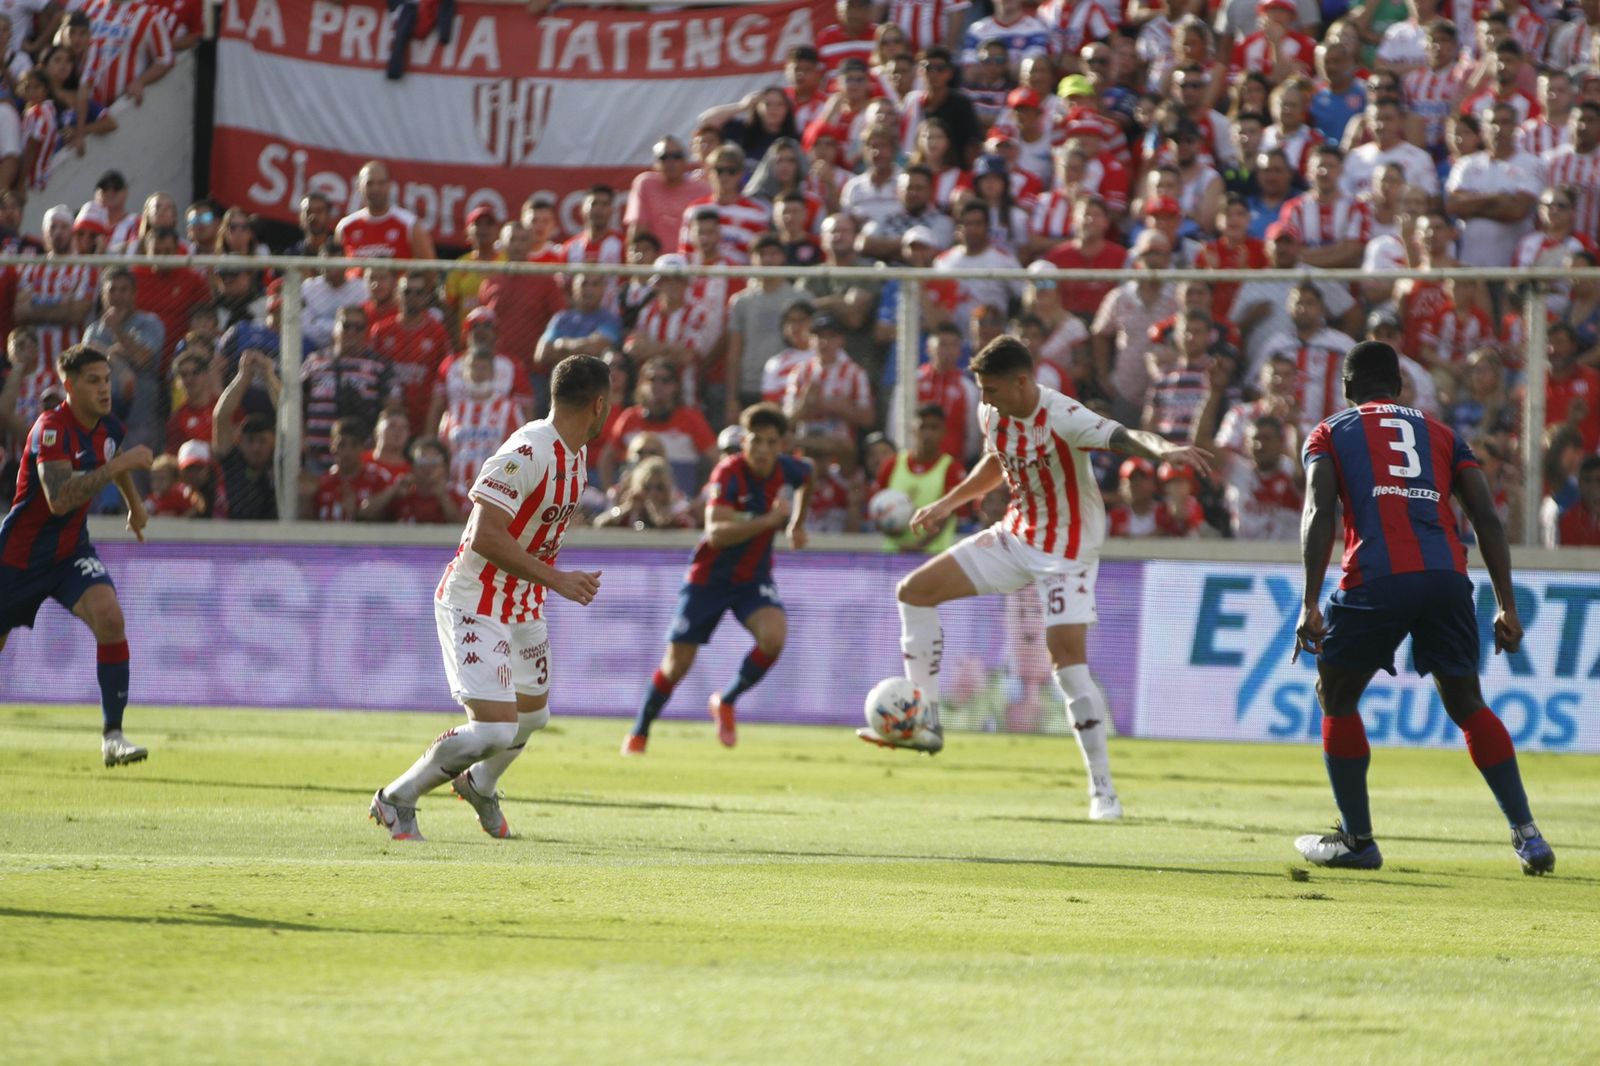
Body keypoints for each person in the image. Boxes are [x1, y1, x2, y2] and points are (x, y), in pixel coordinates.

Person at [861, 336, 1211, 823]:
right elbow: (995, 460)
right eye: (982, 389)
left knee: (1066, 667)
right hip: (1016, 536)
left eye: (992, 389)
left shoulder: (1063, 415)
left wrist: (1164, 448)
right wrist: (947, 504)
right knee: (913, 593)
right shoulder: (994, 414)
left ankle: (1102, 790)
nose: (984, 399)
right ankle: (927, 721)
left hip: (1067, 552)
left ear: (1023, 381)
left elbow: (1125, 435)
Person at [1291, 341, 1555, 875]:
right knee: (1467, 703)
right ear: (1400, 386)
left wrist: (1309, 601)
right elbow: (1486, 516)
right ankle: (1528, 835)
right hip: (1446, 577)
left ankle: (1358, 840)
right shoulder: (1442, 434)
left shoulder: (1329, 431)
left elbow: (1321, 509)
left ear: (1347, 387)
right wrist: (1507, 605)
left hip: (1377, 578)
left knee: (1336, 694)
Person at [370, 354, 611, 841]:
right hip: (475, 598)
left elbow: (540, 521)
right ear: (600, 404)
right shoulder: (528, 451)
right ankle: (396, 797)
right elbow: (484, 536)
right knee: (495, 730)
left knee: (532, 717)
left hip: (522, 602)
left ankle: (479, 783)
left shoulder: (577, 453)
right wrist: (558, 579)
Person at [623, 403, 813, 754]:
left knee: (774, 637)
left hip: (752, 579)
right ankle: (639, 732)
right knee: (676, 665)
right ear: (745, 441)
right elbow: (716, 534)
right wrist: (770, 522)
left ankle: (725, 700)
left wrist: (796, 523)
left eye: (772, 442)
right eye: (757, 441)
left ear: (781, 445)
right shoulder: (728, 474)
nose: (764, 450)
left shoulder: (786, 468)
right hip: (708, 579)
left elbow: (807, 476)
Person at [0, 344, 153, 766]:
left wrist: (134, 506)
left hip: (69, 553)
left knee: (111, 617)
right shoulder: (50, 429)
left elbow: (112, 458)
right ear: (69, 386)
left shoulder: (108, 428)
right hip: (17, 558)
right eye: (93, 381)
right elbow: (59, 499)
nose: (104, 389)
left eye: (106, 379)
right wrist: (121, 470)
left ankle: (113, 736)